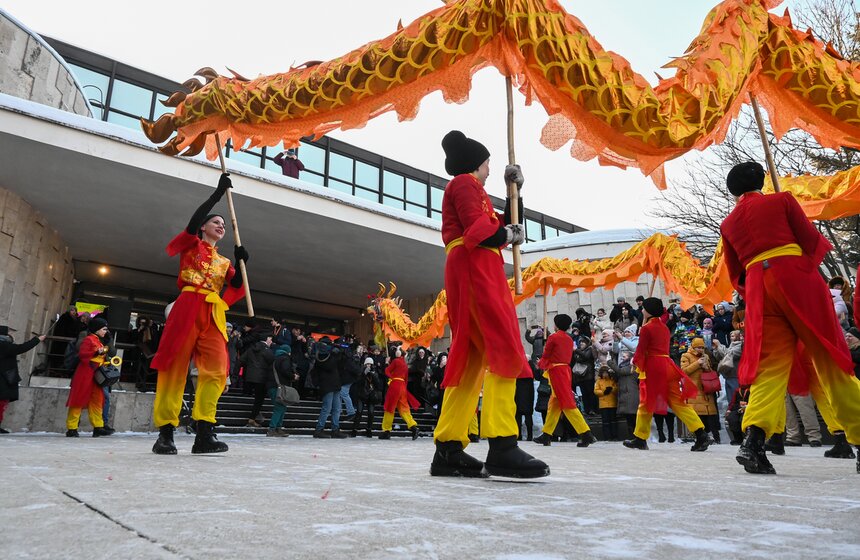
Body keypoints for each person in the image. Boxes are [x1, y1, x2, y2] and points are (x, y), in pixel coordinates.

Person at [720, 161, 860, 474]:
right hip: (794, 275)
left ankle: (754, 440)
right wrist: (801, 269)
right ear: (762, 180)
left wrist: (757, 281)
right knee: (829, 356)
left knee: (769, 367)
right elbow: (810, 240)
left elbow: (735, 271)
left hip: (758, 286)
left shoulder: (728, 223)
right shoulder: (781, 200)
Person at [430, 130, 548, 479]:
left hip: (473, 266)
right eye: (487, 164)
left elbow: (503, 223)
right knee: (504, 348)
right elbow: (483, 229)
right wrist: (506, 235)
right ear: (475, 163)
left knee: (472, 359)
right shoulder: (465, 183)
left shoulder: (470, 188)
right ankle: (502, 443)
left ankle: (448, 447)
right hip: (476, 265)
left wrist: (517, 191)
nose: (489, 170)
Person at [150, 173, 248, 455]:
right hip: (188, 305)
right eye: (216, 222)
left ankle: (204, 432)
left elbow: (237, 284)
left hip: (213, 312)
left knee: (217, 371)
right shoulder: (192, 244)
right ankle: (166, 433)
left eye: (223, 225)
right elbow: (192, 223)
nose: (221, 226)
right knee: (174, 368)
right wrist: (216, 195)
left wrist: (242, 262)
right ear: (204, 227)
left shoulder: (223, 261)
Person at [623, 298, 714, 452]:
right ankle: (700, 433)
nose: (642, 310)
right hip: (667, 366)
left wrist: (635, 362)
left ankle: (640, 438)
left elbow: (641, 350)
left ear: (648, 311)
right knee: (678, 403)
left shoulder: (646, 328)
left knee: (645, 403)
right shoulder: (664, 327)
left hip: (653, 368)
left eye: (644, 308)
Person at [533, 314, 597, 447]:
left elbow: (547, 354)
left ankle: (586, 433)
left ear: (556, 325)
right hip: (565, 370)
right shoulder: (569, 338)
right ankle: (547, 434)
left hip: (556, 371)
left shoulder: (553, 337)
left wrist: (540, 364)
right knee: (554, 404)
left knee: (567, 403)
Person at [65, 318, 114, 437]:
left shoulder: (98, 340)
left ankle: (98, 426)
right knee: (78, 400)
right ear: (97, 329)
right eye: (104, 329)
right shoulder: (89, 339)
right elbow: (82, 355)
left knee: (97, 400)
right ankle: (72, 428)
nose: (106, 331)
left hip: (95, 374)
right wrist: (97, 353)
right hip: (86, 374)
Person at [0, 326, 45, 433]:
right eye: (10, 332)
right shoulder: (3, 345)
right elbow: (21, 348)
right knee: (1, 403)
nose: (12, 335)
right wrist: (37, 339)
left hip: (3, 377)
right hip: (3, 378)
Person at [681, 338, 721, 444]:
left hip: (706, 389)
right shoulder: (686, 356)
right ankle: (698, 436)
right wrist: (697, 363)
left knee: (709, 414)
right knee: (698, 413)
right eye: (699, 347)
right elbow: (684, 371)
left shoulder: (706, 356)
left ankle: (711, 435)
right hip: (694, 389)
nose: (701, 349)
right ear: (693, 347)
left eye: (702, 348)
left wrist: (706, 367)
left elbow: (710, 371)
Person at [380, 345, 420, 440]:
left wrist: (387, 363)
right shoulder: (404, 364)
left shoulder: (395, 361)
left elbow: (387, 371)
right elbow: (406, 379)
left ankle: (386, 430)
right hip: (402, 387)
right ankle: (413, 426)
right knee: (404, 409)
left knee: (390, 408)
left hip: (395, 385)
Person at [311, 337, 347, 438]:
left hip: (334, 383)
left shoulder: (329, 354)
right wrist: (335, 355)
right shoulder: (322, 355)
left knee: (337, 408)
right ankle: (319, 429)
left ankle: (335, 429)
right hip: (327, 384)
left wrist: (341, 355)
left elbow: (340, 366)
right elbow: (329, 366)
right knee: (327, 408)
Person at [593, 365, 618, 440]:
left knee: (613, 421)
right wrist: (603, 392)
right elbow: (596, 391)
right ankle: (607, 437)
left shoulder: (612, 380)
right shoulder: (598, 381)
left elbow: (617, 388)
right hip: (603, 405)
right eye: (603, 373)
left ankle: (614, 436)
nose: (605, 374)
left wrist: (612, 389)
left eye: (606, 373)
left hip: (612, 404)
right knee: (605, 422)